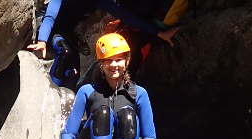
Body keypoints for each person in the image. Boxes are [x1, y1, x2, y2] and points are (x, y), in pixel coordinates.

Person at [27, 0, 179, 90]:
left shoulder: (100, 0)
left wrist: (159, 33)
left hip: (66, 32)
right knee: (66, 53)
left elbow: (127, 16)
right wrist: (42, 40)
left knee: (74, 72)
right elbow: (50, 16)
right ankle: (47, 92)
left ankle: (65, 99)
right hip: (48, 27)